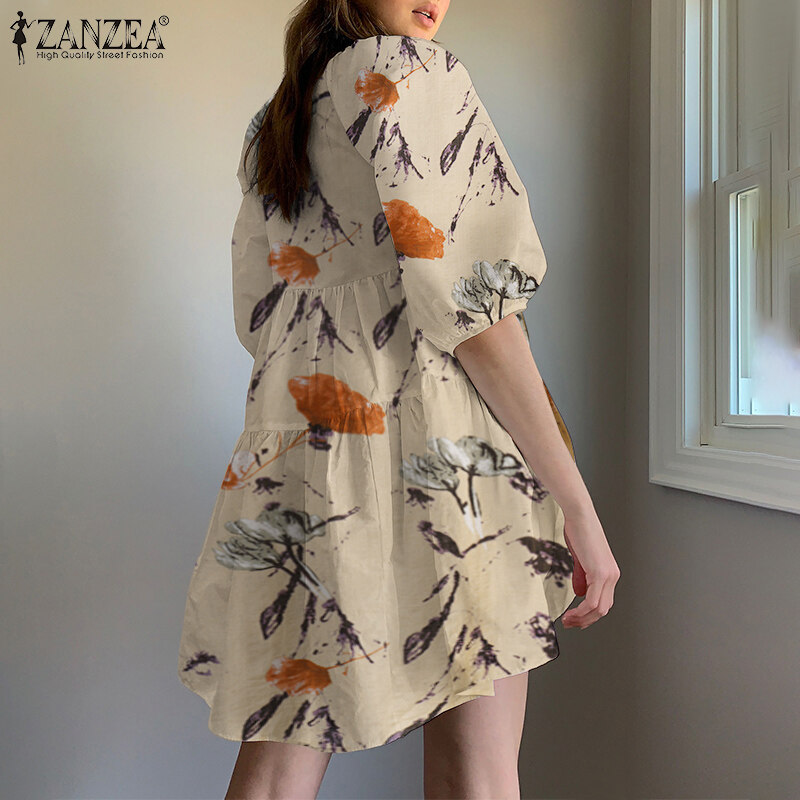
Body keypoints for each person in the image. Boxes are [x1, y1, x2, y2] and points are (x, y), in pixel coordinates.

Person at [177, 1, 620, 798]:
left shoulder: (279, 123)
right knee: (476, 772)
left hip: (308, 454)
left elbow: (260, 316)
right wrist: (578, 508)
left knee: (276, 768)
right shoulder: (411, 71)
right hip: (450, 462)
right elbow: (479, 316)